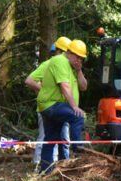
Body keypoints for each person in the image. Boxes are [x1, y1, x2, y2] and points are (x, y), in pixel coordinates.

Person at [37, 39, 88, 173]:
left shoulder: (73, 67)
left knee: (51, 138)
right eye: (77, 57)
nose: (79, 60)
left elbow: (84, 86)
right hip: (51, 104)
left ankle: (45, 172)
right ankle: (79, 150)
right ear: (69, 53)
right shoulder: (60, 61)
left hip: (56, 105)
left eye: (81, 58)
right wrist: (75, 107)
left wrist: (79, 70)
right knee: (78, 116)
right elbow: (65, 86)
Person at [25, 37, 72, 166]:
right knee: (46, 137)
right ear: (58, 51)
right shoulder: (48, 64)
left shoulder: (66, 66)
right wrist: (45, 91)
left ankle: (63, 166)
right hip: (48, 108)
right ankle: (39, 165)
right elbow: (29, 81)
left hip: (61, 108)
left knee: (63, 139)